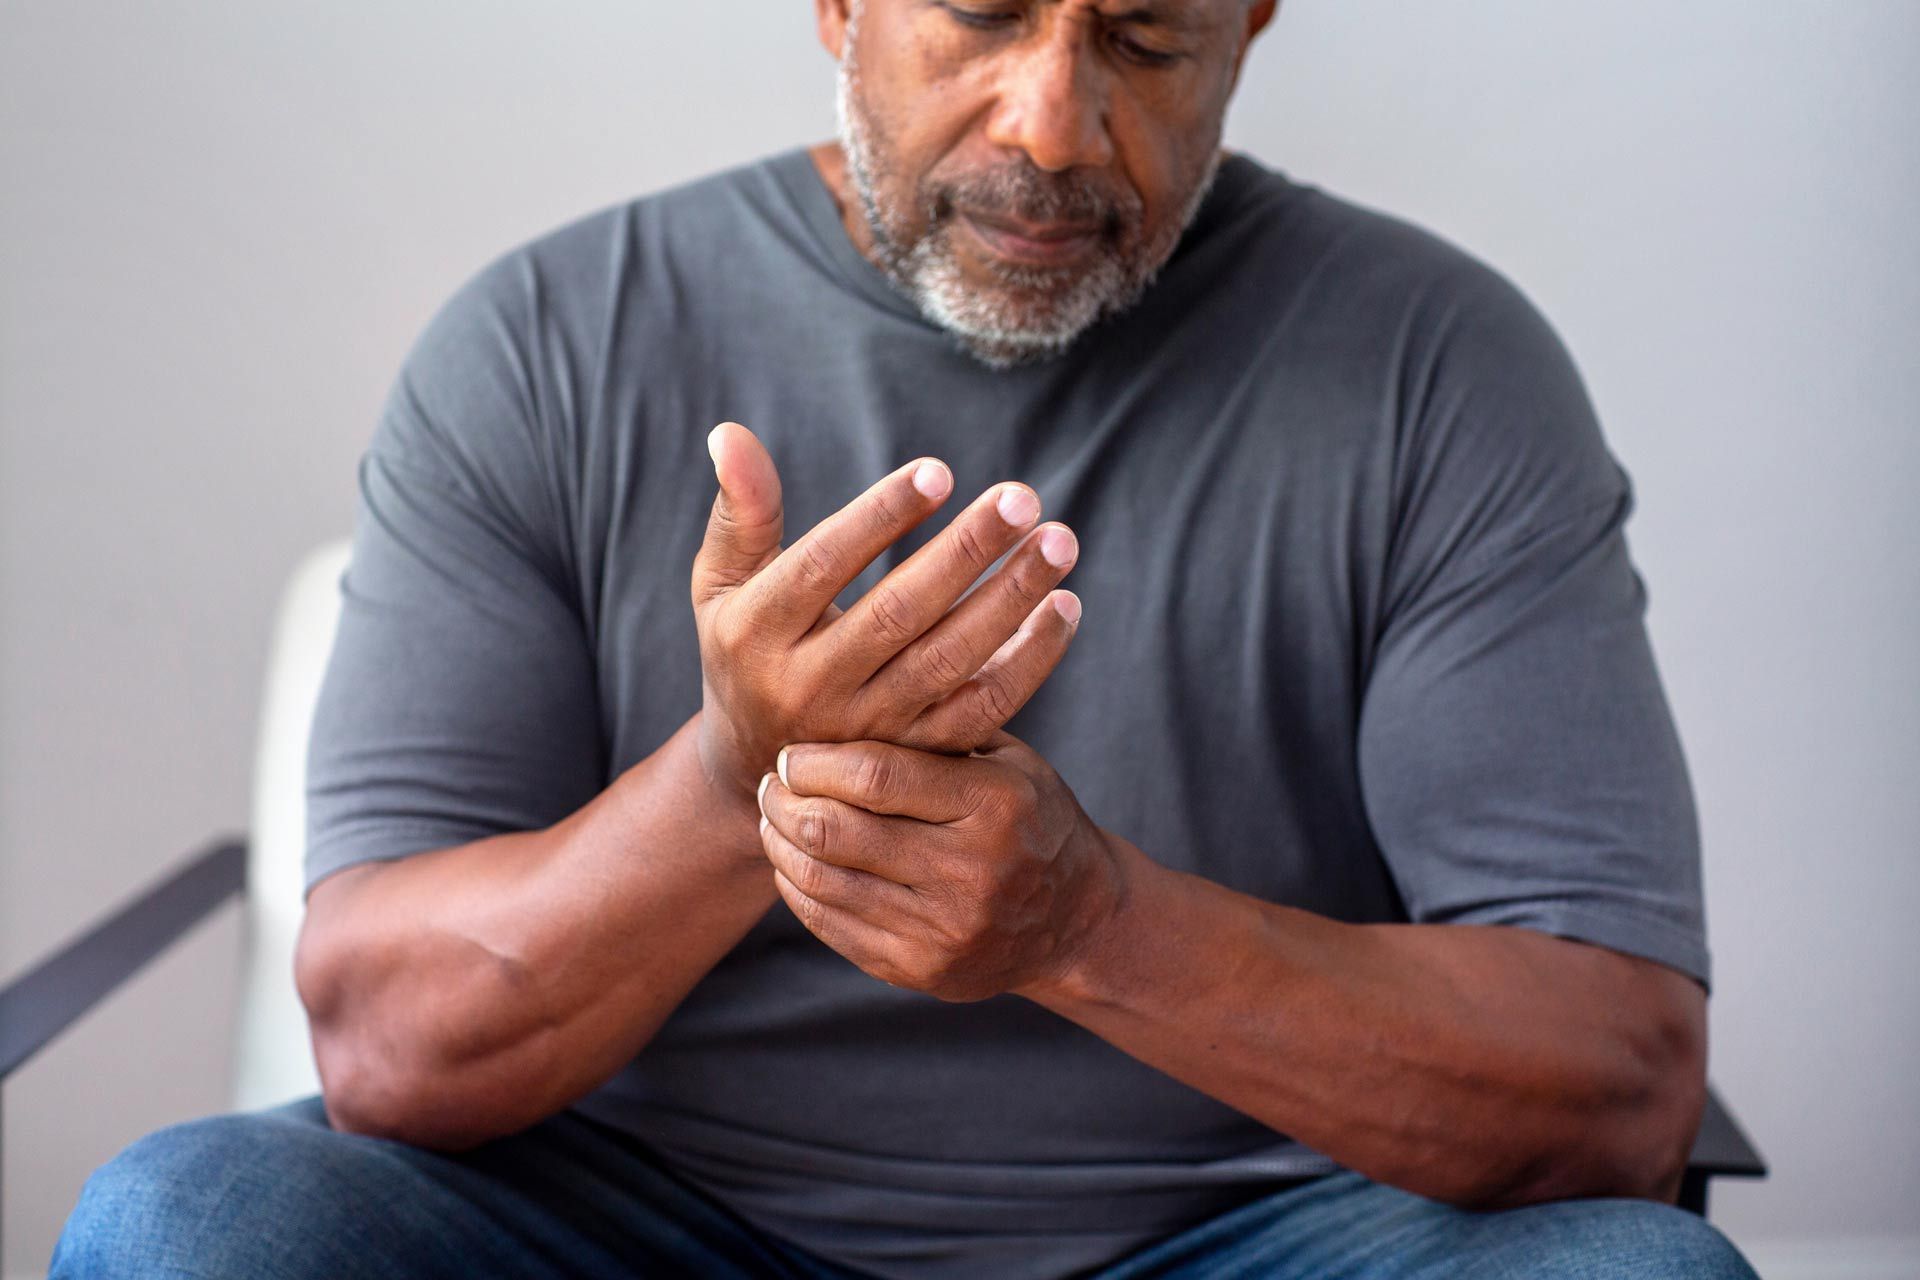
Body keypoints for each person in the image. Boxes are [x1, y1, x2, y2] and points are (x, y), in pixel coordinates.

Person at [55, 2, 1759, 1276]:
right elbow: (387, 1047)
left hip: (1261, 1236)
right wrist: (737, 781)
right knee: (189, 1227)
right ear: (839, 4)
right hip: (643, 1229)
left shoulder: (1439, 368)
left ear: (1252, 23)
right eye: (988, 13)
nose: (1056, 123)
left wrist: (1090, 925)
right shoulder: (545, 343)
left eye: (1147, 39)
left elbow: (1613, 1084)